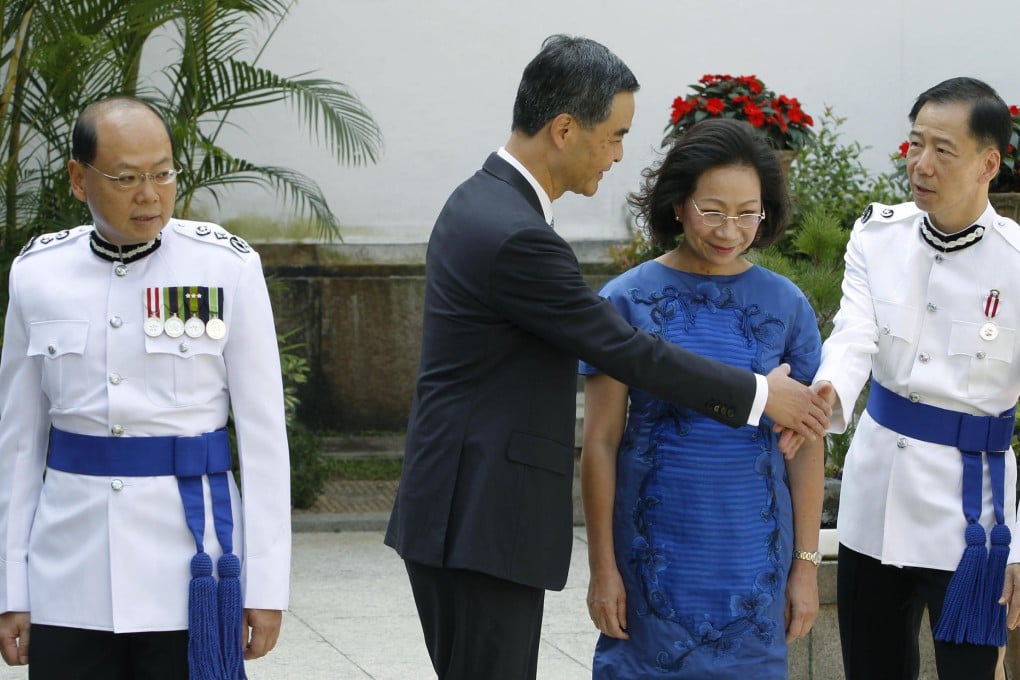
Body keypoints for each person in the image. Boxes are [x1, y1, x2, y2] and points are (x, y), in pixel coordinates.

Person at [383, 34, 830, 680]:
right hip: (480, 520)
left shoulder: (484, 202)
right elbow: (626, 350)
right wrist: (762, 395)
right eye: (614, 135)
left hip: (468, 515)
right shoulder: (516, 234)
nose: (620, 153)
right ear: (565, 129)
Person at [0, 96, 291, 679]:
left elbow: (264, 440)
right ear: (78, 178)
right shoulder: (37, 275)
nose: (149, 195)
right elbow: (18, 443)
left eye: (162, 174)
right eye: (126, 178)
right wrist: (12, 586)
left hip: (192, 568)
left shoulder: (225, 268)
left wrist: (266, 584)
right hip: (69, 573)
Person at [791, 77, 1020, 679]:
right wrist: (825, 395)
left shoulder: (1016, 264)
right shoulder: (878, 236)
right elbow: (853, 335)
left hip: (975, 522)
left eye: (943, 150)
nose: (921, 164)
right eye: (915, 143)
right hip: (877, 505)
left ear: (988, 164)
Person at [580, 118, 825, 678]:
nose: (729, 230)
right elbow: (599, 443)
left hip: (754, 558)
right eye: (712, 211)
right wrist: (603, 570)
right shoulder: (625, 300)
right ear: (677, 204)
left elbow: (808, 445)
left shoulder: (786, 305)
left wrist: (806, 567)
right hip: (654, 557)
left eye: (747, 213)